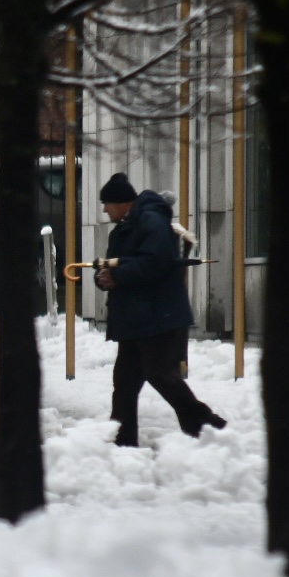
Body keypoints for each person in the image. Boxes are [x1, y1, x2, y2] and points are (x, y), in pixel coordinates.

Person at [95, 172, 227, 447]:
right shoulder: (127, 227)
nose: (105, 209)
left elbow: (157, 261)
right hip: (138, 318)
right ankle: (121, 439)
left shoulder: (150, 220)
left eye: (107, 203)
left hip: (156, 316)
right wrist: (105, 278)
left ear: (122, 202)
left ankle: (207, 425)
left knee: (162, 376)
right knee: (125, 382)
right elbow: (118, 265)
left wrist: (118, 276)